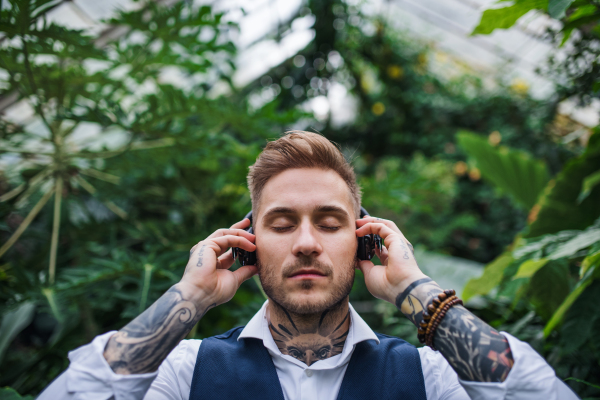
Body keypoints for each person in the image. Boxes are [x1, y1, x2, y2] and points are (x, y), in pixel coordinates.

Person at [38, 131, 577, 400]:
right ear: (248, 242)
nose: (305, 243)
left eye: (328, 221)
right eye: (280, 223)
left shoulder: (430, 378)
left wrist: (415, 289)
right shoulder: (184, 373)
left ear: (363, 243)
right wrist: (190, 298)